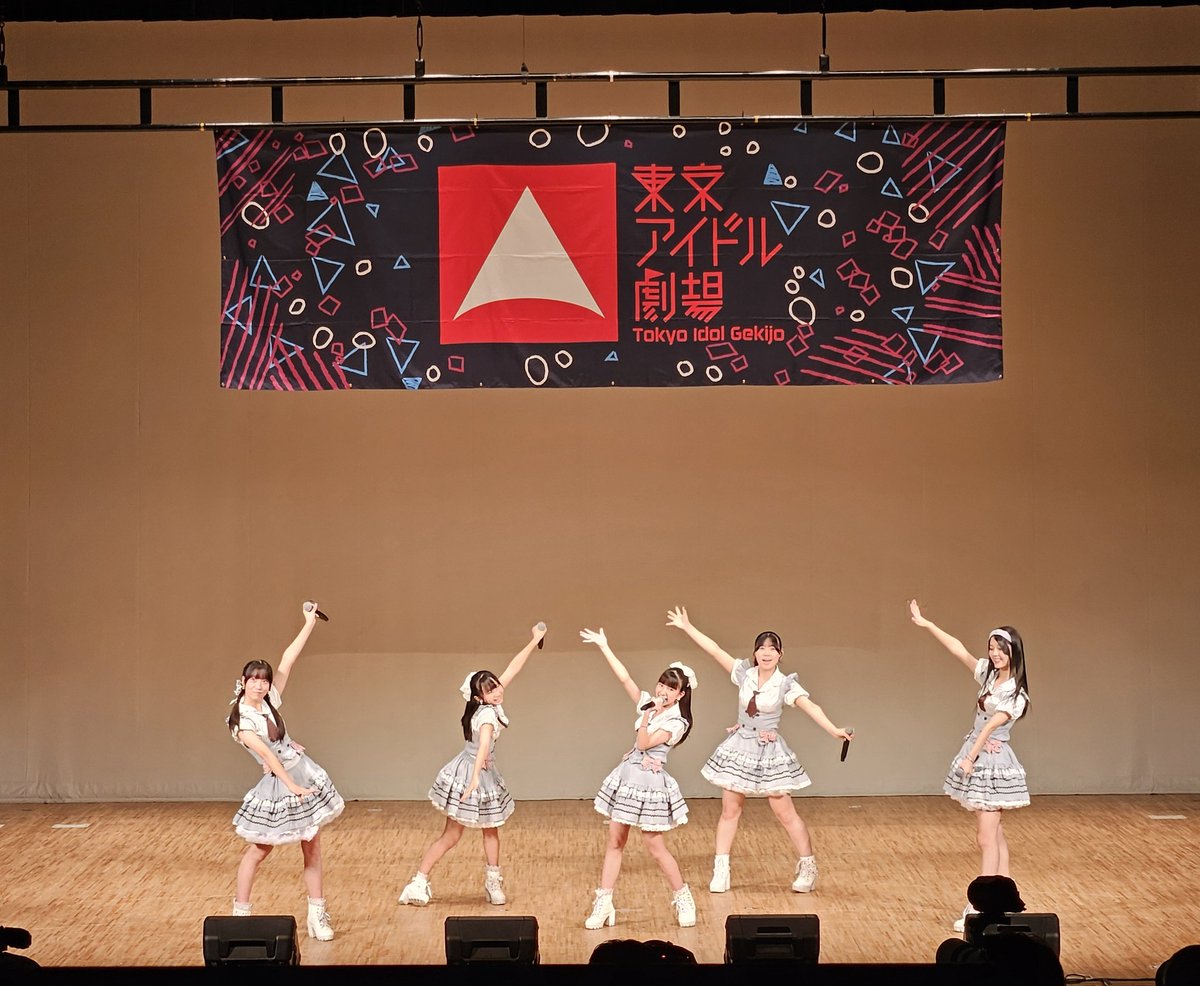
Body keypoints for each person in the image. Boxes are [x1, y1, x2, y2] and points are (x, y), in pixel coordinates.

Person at [665, 605, 852, 895]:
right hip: (740, 744)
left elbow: (810, 706)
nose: (766, 653)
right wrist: (688, 627)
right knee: (730, 809)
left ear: (780, 654)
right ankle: (721, 869)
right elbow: (715, 650)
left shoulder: (785, 684)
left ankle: (808, 866)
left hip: (768, 750)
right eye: (761, 648)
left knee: (784, 812)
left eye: (772, 649)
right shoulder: (744, 673)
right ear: (755, 653)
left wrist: (833, 730)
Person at [398, 622, 547, 907]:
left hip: (478, 770)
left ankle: (491, 881)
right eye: (491, 690)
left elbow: (513, 668)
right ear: (479, 697)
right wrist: (476, 777)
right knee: (453, 834)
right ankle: (418, 882)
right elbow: (482, 748)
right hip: (471, 772)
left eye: (496, 686)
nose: (498, 691)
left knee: (489, 829)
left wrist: (533, 641)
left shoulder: (488, 704)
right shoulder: (487, 716)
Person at [908, 599, 1030, 931]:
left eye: (1001, 649)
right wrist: (928, 624)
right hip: (979, 754)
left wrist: (969, 757)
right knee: (994, 834)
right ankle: (1006, 898)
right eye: (992, 648)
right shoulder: (988, 675)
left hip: (992, 762)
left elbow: (991, 726)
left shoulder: (1016, 693)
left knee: (987, 837)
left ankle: (982, 906)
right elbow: (959, 650)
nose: (995, 654)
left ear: (1014, 652)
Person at [227, 602, 344, 941]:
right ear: (244, 682)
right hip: (279, 783)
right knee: (260, 850)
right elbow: (267, 755)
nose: (261, 686)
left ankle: (317, 915)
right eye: (254, 681)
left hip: (300, 772)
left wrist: (309, 623)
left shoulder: (268, 702)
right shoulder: (241, 720)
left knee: (313, 846)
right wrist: (292, 785)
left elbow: (287, 659)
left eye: (264, 681)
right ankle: (240, 915)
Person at [578, 627, 698, 930]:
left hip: (650, 783)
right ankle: (604, 903)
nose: (663, 690)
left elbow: (644, 743)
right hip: (628, 775)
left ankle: (683, 897)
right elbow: (625, 679)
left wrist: (647, 714)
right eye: (662, 684)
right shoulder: (649, 703)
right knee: (615, 841)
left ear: (681, 694)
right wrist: (605, 646)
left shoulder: (677, 722)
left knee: (654, 845)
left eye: (671, 688)